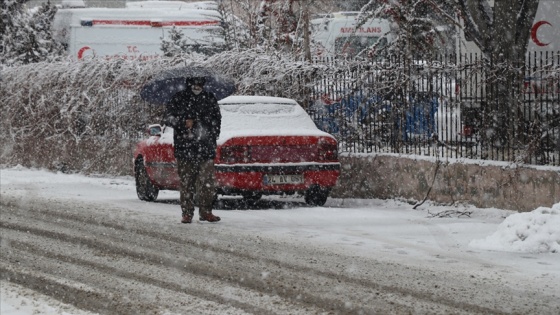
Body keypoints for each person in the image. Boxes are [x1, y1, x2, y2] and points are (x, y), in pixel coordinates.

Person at [164, 77, 222, 224]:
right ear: (189, 83)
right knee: (186, 182)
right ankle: (187, 212)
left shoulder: (209, 98)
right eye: (194, 83)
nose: (197, 86)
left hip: (206, 147)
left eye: (200, 83)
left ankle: (206, 211)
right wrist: (183, 122)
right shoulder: (178, 98)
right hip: (185, 147)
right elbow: (169, 118)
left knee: (207, 182)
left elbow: (217, 119)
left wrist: (211, 133)